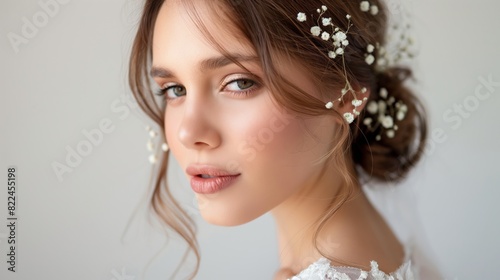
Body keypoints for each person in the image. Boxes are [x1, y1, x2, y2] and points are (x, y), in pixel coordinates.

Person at [129, 0, 441, 279]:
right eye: (174, 90)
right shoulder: (385, 236)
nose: (188, 133)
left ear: (345, 93)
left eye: (239, 82)